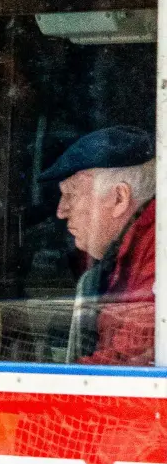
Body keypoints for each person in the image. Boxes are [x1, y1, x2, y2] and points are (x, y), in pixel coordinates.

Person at [43, 126, 157, 366]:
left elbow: (128, 362)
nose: (60, 211)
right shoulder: (127, 250)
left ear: (119, 198)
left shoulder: (159, 250)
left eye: (71, 195)